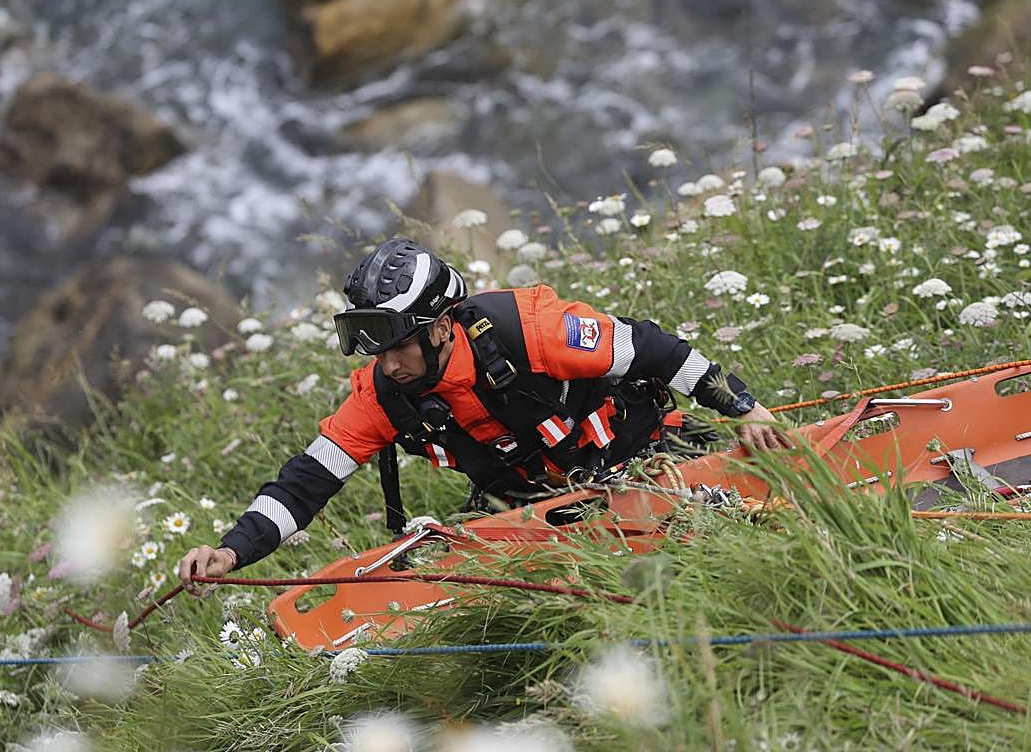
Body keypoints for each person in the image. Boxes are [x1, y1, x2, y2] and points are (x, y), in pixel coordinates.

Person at [178, 238, 790, 595]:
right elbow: (307, 480)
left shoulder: (532, 330)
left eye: (399, 347)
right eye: (377, 351)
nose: (388, 365)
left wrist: (744, 407)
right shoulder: (382, 393)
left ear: (443, 327)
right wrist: (232, 551)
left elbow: (658, 350)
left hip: (645, 458)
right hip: (533, 516)